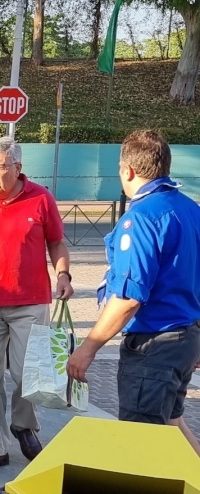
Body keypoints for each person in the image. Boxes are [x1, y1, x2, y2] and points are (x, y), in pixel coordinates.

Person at [68, 130, 200, 456]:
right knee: (172, 422)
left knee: (141, 447)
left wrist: (88, 348)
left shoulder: (140, 218)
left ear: (127, 171)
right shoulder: (190, 209)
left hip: (154, 345)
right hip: (184, 339)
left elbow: (129, 296)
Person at [0, 136, 73, 473]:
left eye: (0, 168)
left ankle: (23, 424)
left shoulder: (41, 198)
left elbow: (57, 243)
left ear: (18, 168)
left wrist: (63, 275)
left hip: (30, 301)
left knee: (25, 373)